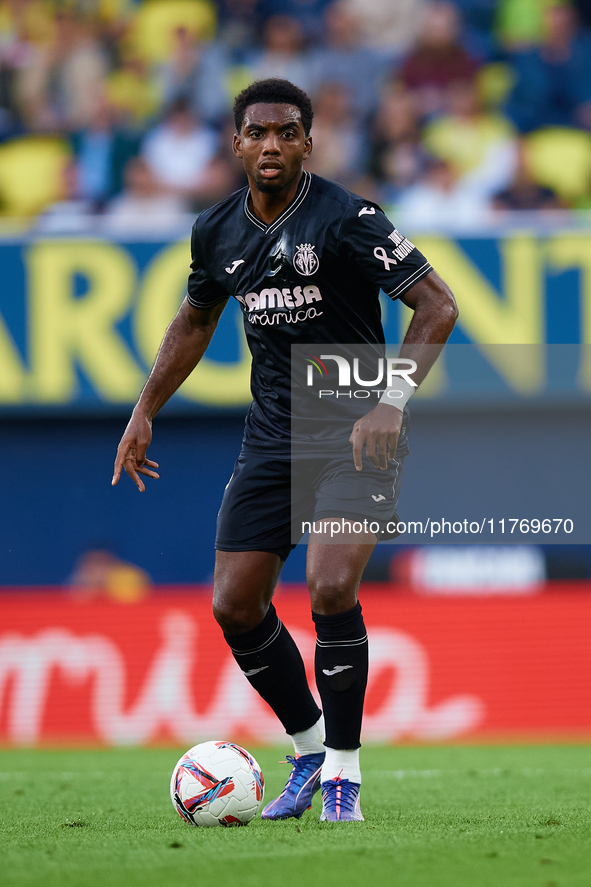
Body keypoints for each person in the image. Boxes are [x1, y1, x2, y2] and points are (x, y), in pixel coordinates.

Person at [112, 78, 457, 822]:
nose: (272, 144)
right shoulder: (215, 230)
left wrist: (389, 402)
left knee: (331, 588)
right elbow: (195, 319)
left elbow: (437, 306)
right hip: (273, 436)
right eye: (258, 133)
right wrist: (144, 410)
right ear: (236, 144)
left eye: (287, 132)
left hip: (356, 434)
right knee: (233, 604)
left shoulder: (347, 218)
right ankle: (306, 753)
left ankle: (343, 773)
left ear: (308, 141)